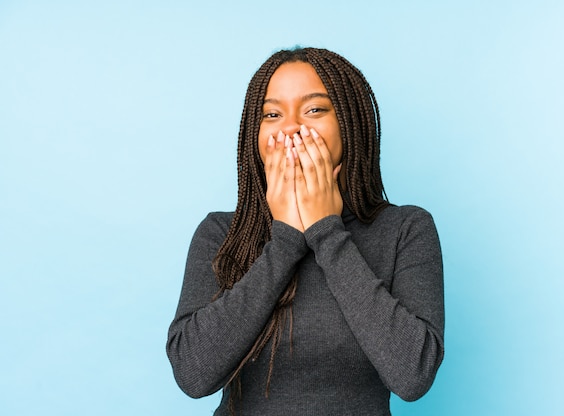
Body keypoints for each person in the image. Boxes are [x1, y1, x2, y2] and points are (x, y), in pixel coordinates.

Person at [166, 47, 444, 416]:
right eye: (272, 114)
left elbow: (412, 376)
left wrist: (325, 230)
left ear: (349, 123)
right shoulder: (220, 233)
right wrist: (284, 238)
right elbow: (192, 374)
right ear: (255, 135)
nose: (291, 128)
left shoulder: (406, 230)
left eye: (314, 109)